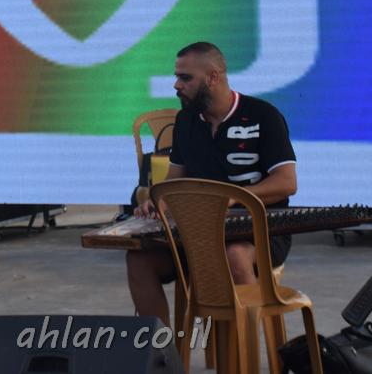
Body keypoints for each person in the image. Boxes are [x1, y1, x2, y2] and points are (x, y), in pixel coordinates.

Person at [126, 41, 297, 324]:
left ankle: (244, 348)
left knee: (234, 255)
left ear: (213, 77)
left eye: (185, 78)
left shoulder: (263, 115)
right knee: (139, 260)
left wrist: (233, 197)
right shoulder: (186, 121)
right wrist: (157, 202)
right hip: (200, 233)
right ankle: (160, 349)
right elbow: (174, 182)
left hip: (260, 233)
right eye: (177, 77)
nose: (176, 85)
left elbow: (287, 182)